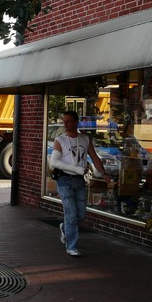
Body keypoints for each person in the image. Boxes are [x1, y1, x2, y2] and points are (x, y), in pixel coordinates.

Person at [50, 110, 112, 257]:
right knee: (71, 213)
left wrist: (103, 174)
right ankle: (71, 246)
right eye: (64, 120)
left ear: (76, 122)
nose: (65, 123)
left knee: (81, 215)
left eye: (68, 121)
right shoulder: (60, 140)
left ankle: (65, 228)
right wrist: (75, 169)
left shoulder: (85, 139)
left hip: (79, 181)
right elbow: (54, 162)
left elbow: (94, 157)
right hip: (64, 180)